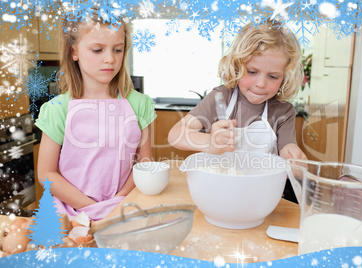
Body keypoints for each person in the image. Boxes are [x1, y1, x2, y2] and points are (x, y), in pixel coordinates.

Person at [35, 11, 156, 221]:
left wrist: (116, 203)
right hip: (71, 213)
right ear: (74, 52)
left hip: (124, 209)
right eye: (98, 50)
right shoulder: (58, 109)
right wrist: (92, 208)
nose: (110, 59)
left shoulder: (139, 104)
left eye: (117, 50)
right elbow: (46, 174)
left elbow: (144, 162)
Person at [168, 21, 307, 161]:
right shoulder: (221, 97)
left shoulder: (283, 112)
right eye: (252, 72)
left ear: (285, 77)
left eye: (273, 76)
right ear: (236, 66)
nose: (260, 84)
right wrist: (209, 142)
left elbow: (287, 149)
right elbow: (175, 135)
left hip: (261, 182)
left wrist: (292, 156)